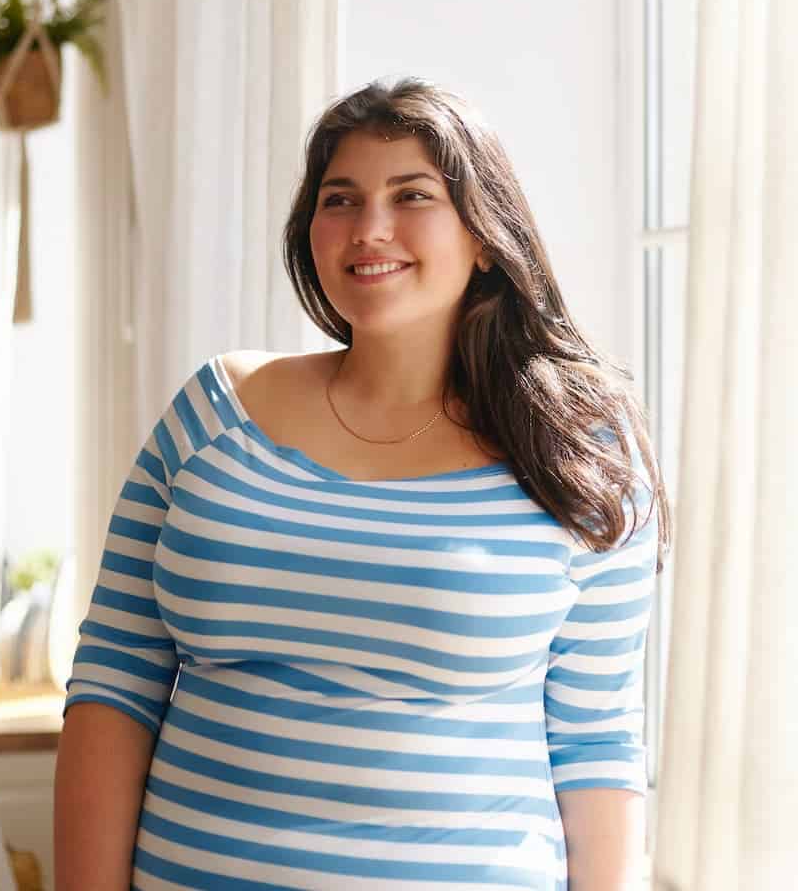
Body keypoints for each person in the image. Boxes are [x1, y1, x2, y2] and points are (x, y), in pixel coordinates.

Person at [55, 78, 671, 890]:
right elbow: (113, 683)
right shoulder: (212, 416)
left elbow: (596, 737)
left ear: (486, 236)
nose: (368, 228)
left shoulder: (580, 451)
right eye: (339, 199)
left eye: (411, 195)